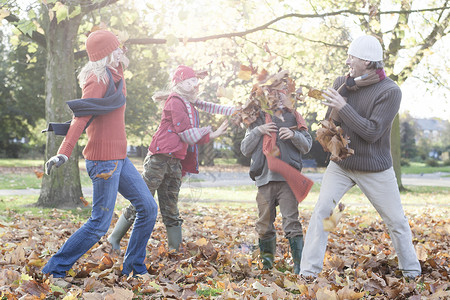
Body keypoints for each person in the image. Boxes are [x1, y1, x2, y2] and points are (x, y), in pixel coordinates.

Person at [300, 35, 421, 279]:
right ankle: (308, 272)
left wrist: (344, 106)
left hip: (375, 168)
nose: (347, 62)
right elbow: (331, 125)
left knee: (396, 221)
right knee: (323, 211)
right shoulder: (341, 83)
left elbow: (372, 132)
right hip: (343, 164)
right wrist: (333, 109)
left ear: (366, 61)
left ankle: (411, 272)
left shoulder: (390, 91)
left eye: (351, 57)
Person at [42, 30, 158, 280]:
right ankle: (55, 269)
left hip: (119, 158)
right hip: (103, 161)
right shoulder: (98, 78)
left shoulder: (117, 75)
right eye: (117, 47)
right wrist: (63, 153)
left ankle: (134, 268)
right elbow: (81, 116)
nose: (122, 50)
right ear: (107, 53)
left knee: (148, 208)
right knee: (99, 224)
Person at [107, 65, 235, 252]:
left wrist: (235, 111)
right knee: (142, 202)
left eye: (196, 82)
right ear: (180, 83)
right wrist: (211, 133)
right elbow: (185, 134)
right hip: (159, 159)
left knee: (171, 207)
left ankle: (175, 251)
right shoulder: (175, 101)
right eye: (191, 82)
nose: (195, 85)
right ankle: (114, 238)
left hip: (175, 161)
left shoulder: (189, 103)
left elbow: (210, 106)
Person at [240, 80, 313, 274]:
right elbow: (245, 149)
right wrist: (258, 131)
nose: (277, 98)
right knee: (264, 224)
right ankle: (267, 265)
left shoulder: (294, 118)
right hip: (264, 179)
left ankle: (299, 266)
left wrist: (294, 135)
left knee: (291, 222)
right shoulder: (256, 118)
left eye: (282, 94)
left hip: (287, 179)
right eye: (273, 94)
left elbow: (307, 145)